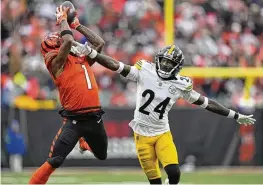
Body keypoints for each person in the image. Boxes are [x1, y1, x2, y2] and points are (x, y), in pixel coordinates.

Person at [74, 43, 256, 184]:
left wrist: (235, 115)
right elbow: (116, 65)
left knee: (174, 174)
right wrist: (93, 54)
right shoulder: (145, 70)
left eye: (171, 63)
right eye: (165, 60)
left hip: (162, 133)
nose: (166, 64)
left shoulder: (181, 84)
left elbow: (206, 103)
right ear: (158, 59)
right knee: (155, 182)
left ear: (177, 67)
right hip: (141, 134)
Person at [29, 5, 107, 184]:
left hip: (95, 118)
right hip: (74, 121)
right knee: (55, 160)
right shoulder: (57, 65)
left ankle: (84, 139)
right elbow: (69, 42)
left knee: (102, 155)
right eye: (59, 43)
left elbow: (99, 43)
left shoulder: (80, 58)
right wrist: (62, 19)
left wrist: (78, 25)